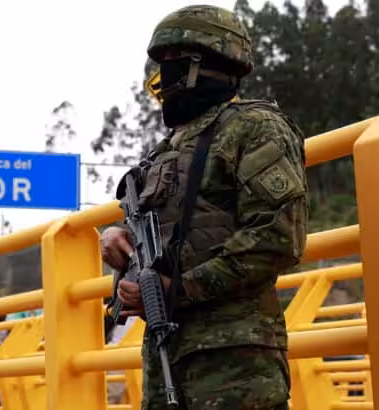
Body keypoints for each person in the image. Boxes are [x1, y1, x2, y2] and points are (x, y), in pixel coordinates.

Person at [101, 5, 308, 410]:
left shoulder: (253, 127)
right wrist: (118, 243)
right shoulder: (166, 151)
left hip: (235, 362)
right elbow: (165, 237)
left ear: (204, 63)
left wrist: (178, 289)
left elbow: (279, 236)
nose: (163, 82)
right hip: (166, 357)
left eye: (171, 66)